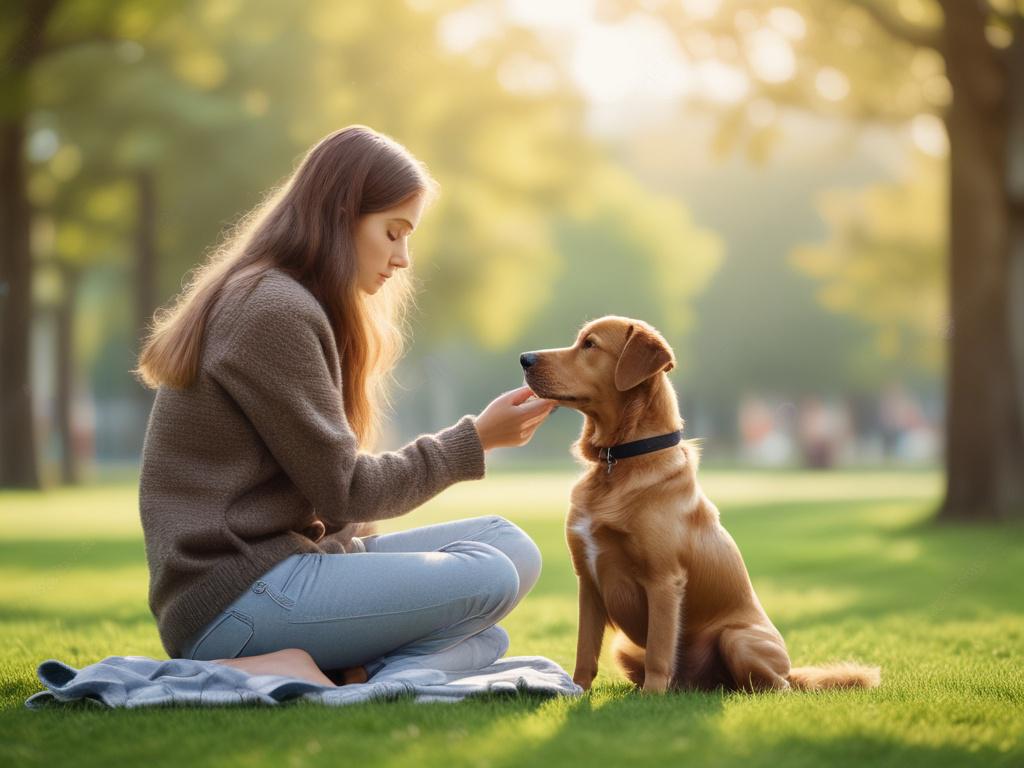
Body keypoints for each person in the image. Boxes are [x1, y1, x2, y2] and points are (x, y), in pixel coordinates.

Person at [133, 125, 557, 687]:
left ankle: (350, 668)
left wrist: (358, 564)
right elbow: (348, 488)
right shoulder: (271, 309)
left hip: (287, 570)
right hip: (232, 599)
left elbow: (332, 499)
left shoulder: (289, 300)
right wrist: (473, 441)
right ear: (341, 215)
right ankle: (338, 670)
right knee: (489, 581)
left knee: (508, 546)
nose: (403, 258)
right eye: (393, 232)